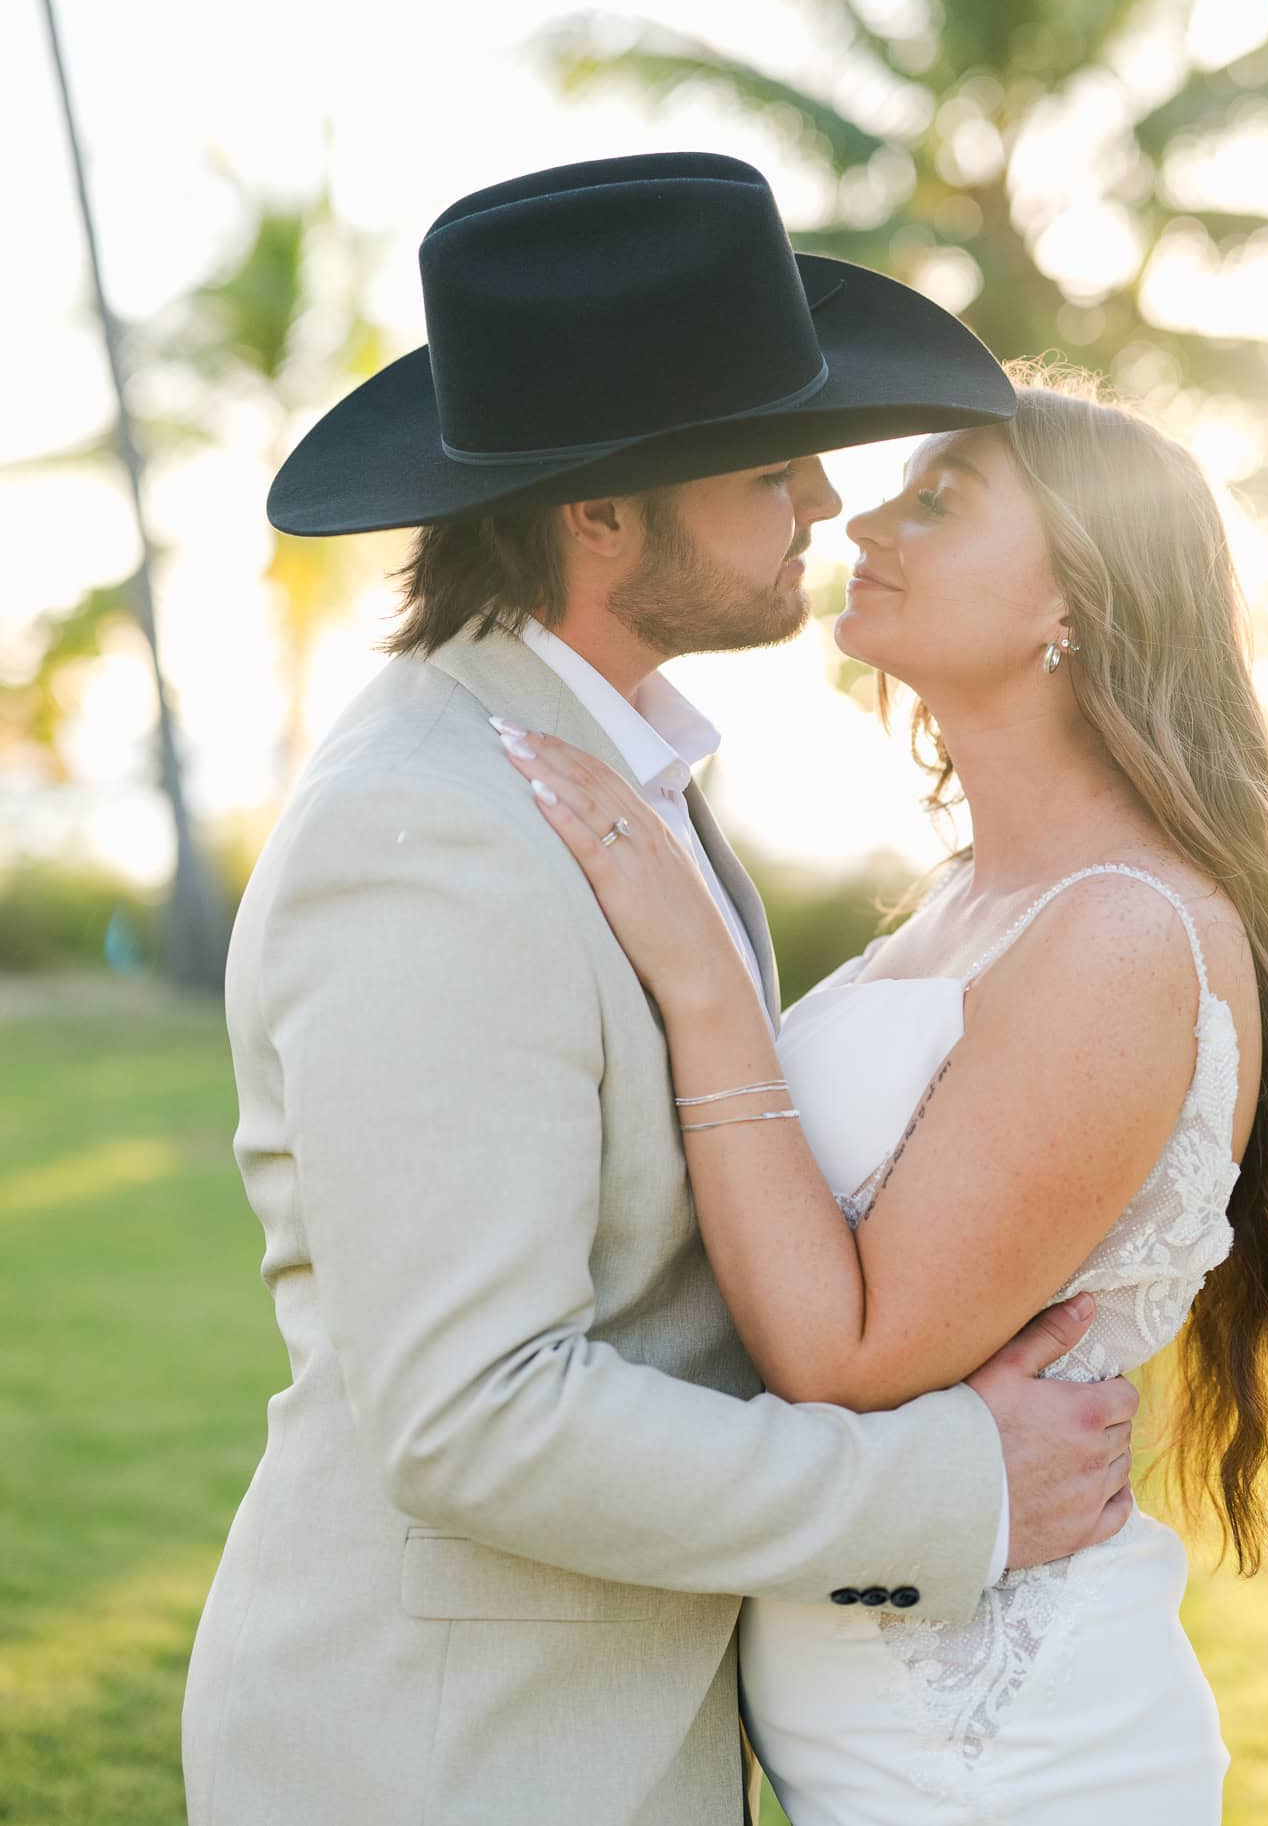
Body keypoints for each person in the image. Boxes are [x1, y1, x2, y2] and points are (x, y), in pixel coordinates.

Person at [181, 154, 1140, 1826]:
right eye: (772, 471)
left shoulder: (602, 772)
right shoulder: (435, 829)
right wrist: (949, 1486)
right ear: (598, 511)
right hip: (446, 1760)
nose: (828, 511)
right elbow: (474, 1417)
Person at [505, 359, 1268, 1824]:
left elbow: (852, 1345)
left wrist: (702, 981)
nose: (863, 516)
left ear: (1074, 600)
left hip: (1012, 1766)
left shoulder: (1123, 931)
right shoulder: (970, 901)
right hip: (854, 1735)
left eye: (939, 499)